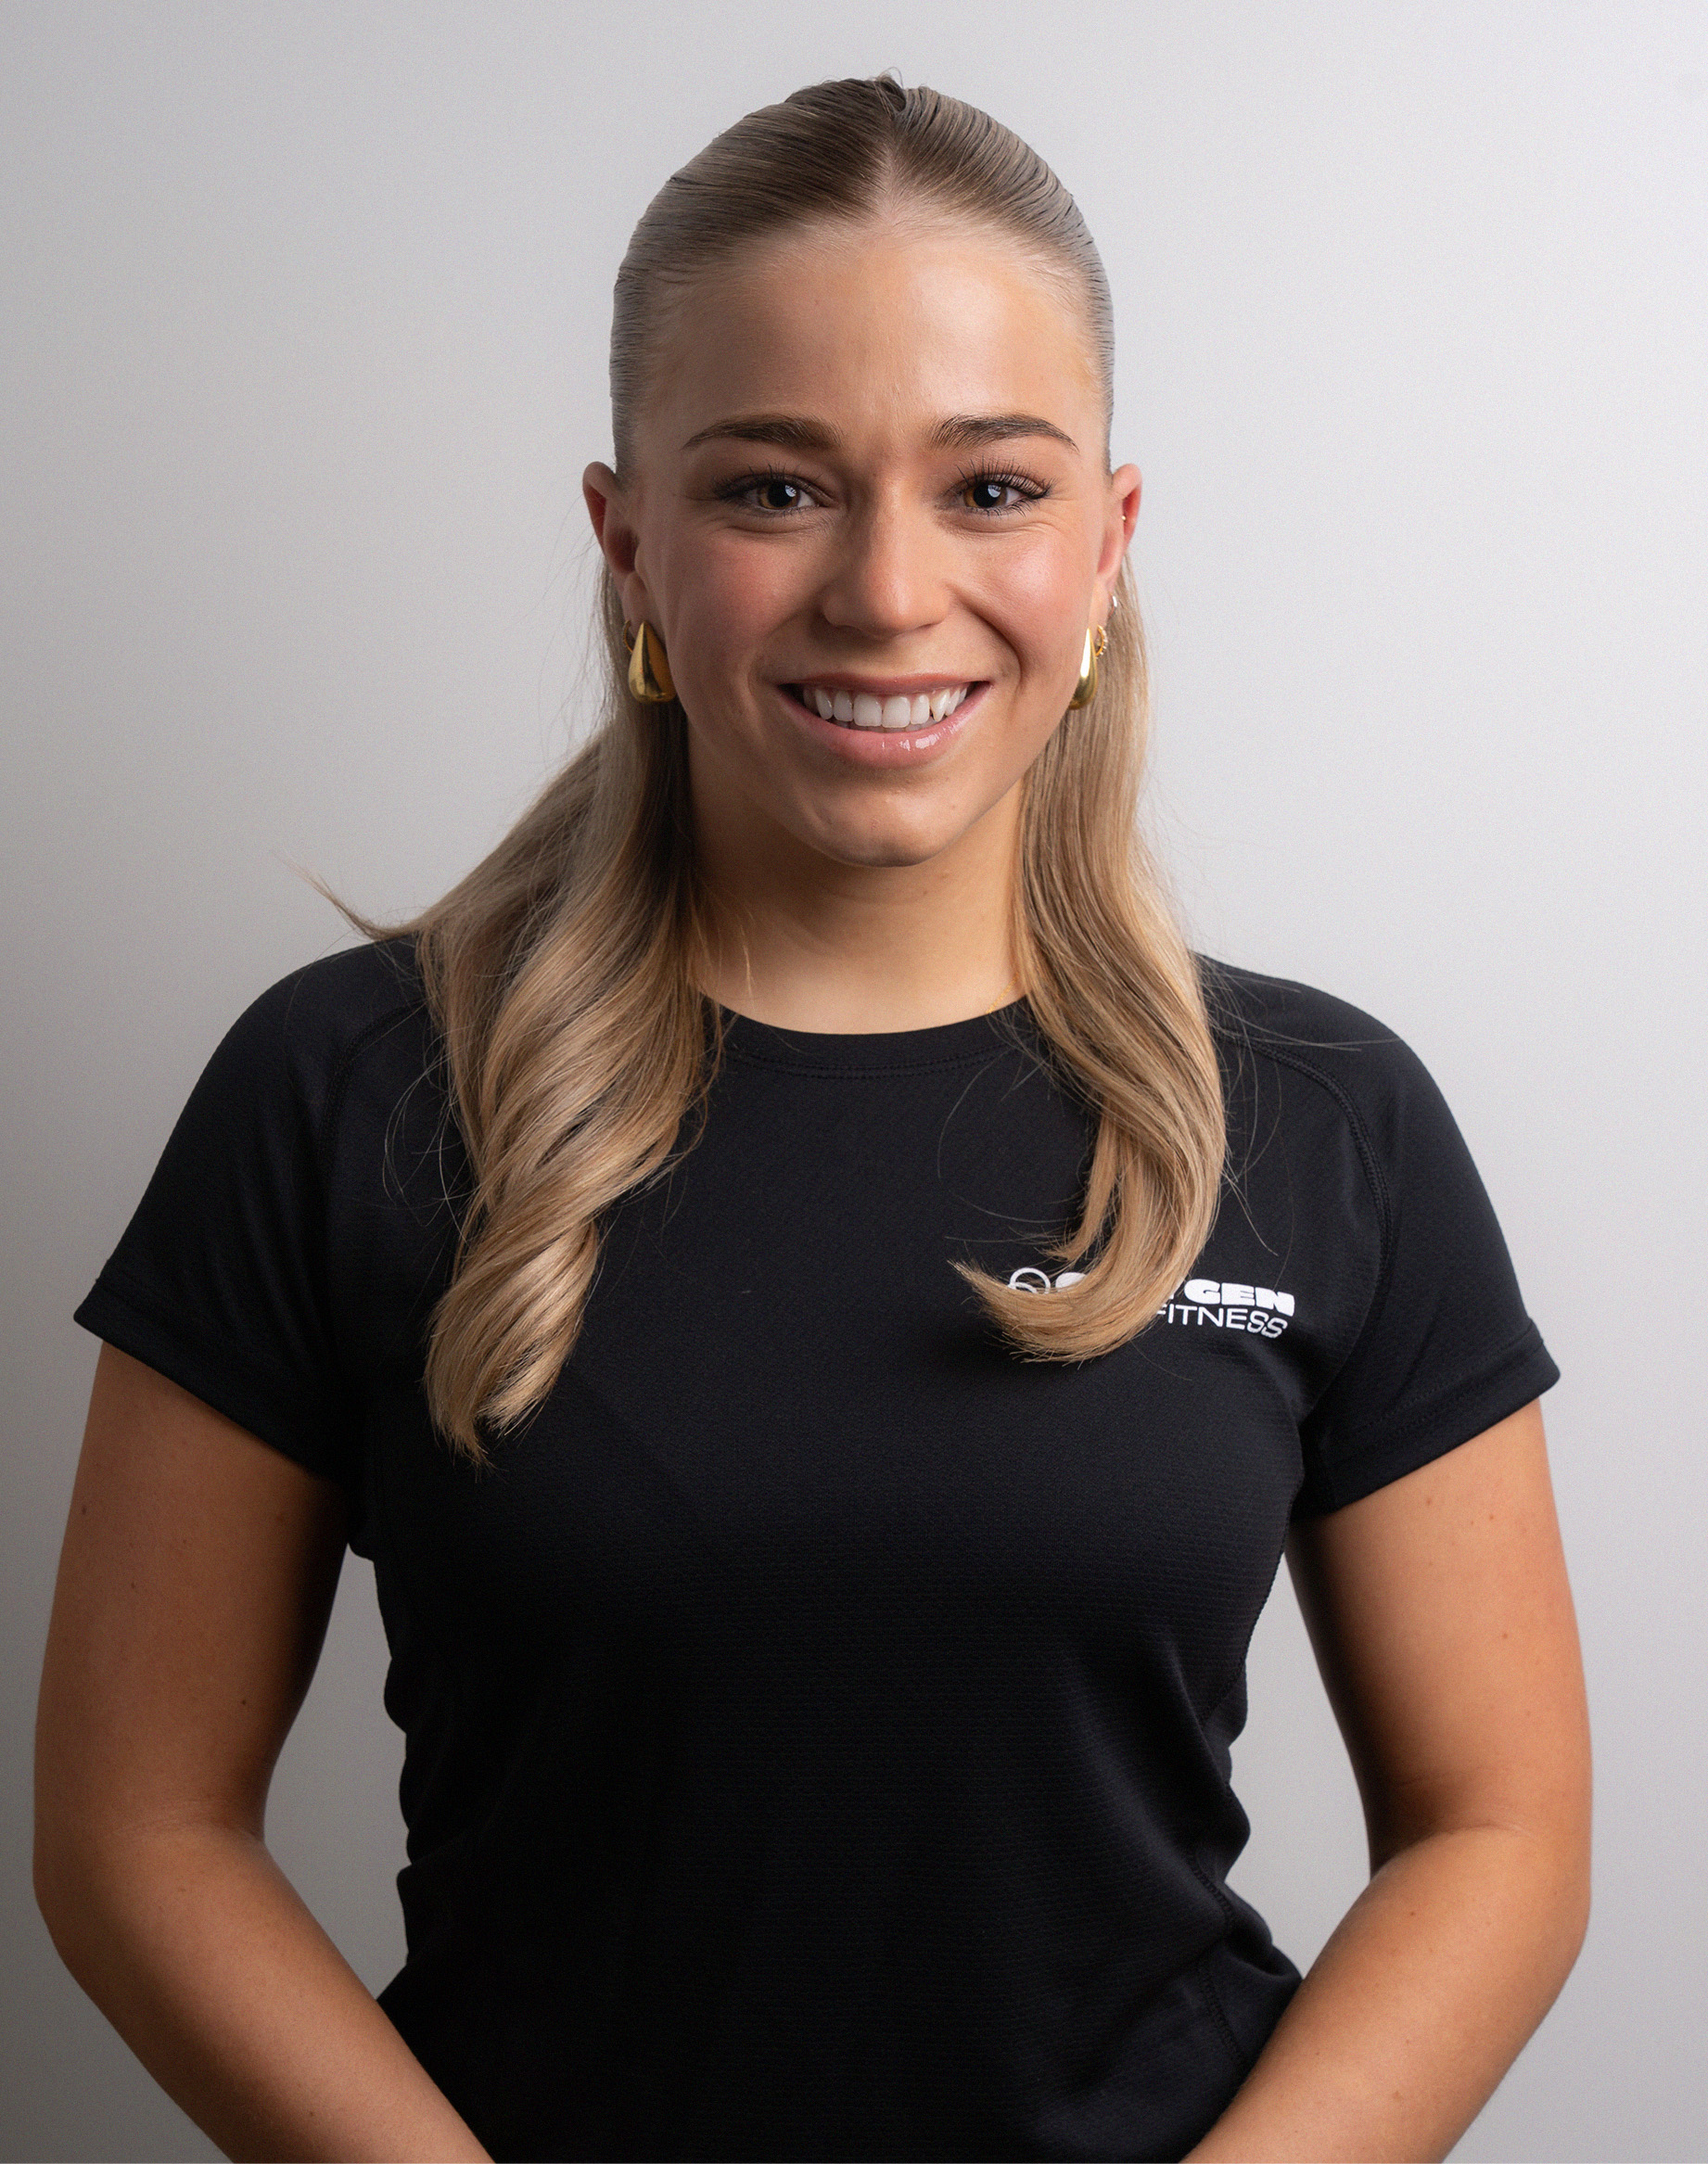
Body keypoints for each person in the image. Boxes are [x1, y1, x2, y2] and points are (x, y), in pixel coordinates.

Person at [34, 75, 1590, 2164]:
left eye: (990, 487)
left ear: (1109, 541)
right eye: (775, 487)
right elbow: (134, 1833)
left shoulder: (1328, 1123)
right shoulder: (346, 1093)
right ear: (627, 542)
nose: (885, 588)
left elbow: (1500, 1832)